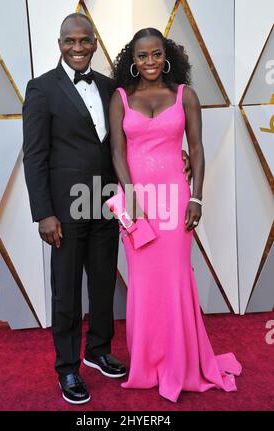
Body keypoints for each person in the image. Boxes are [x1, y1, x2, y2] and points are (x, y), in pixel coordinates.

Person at [23, 14, 191, 405]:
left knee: (102, 282)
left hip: (109, 202)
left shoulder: (111, 87)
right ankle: (67, 368)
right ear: (60, 43)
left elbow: (134, 133)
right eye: (70, 41)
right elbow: (34, 156)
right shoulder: (41, 89)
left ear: (95, 43)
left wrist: (175, 151)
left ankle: (98, 350)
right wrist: (43, 213)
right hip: (65, 208)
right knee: (66, 290)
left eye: (85, 41)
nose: (78, 48)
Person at [109, 27, 242, 403]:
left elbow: (196, 150)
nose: (149, 62)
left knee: (175, 278)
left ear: (166, 56)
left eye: (155, 54)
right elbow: (117, 153)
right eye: (141, 56)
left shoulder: (186, 95)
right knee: (143, 282)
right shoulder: (120, 98)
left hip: (176, 199)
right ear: (132, 61)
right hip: (136, 202)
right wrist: (131, 196)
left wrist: (196, 198)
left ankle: (180, 362)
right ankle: (147, 365)